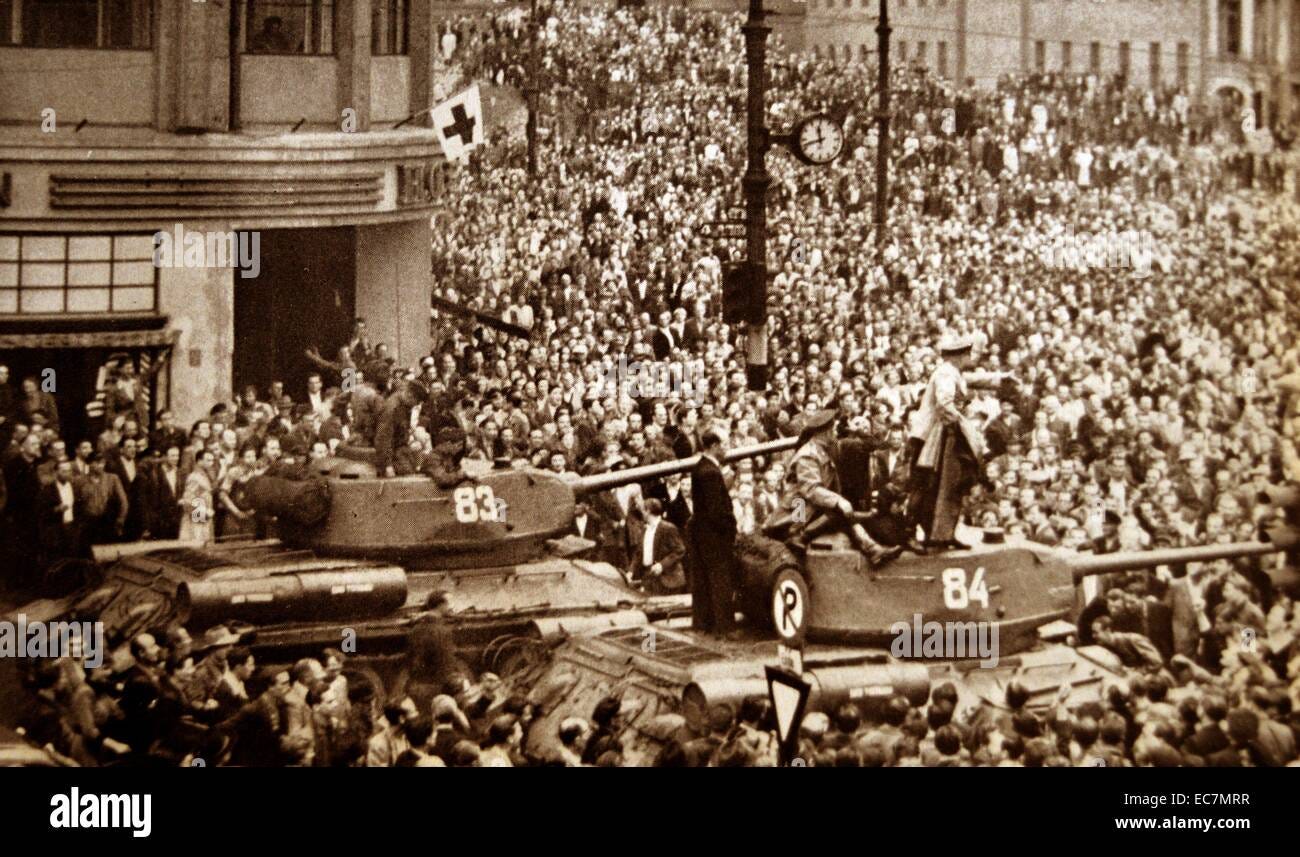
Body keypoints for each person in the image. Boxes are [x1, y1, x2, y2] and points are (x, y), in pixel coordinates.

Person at [907, 335, 1008, 550]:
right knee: (927, 486)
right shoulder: (945, 374)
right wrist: (967, 426)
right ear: (959, 356)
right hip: (932, 439)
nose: (970, 358)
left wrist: (1001, 377)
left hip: (944, 435)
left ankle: (943, 534)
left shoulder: (952, 372)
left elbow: (971, 379)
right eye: (967, 355)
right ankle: (912, 533)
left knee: (949, 486)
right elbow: (945, 404)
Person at [768, 409, 902, 565]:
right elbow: (810, 489)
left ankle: (873, 550)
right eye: (832, 429)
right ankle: (799, 536)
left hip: (809, 506)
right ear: (823, 432)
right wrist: (839, 501)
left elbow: (869, 445)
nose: (835, 432)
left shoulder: (823, 450)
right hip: (798, 511)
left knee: (841, 511)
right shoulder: (808, 455)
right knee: (838, 509)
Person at [687, 431, 740, 633]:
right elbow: (716, 510)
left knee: (703, 580)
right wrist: (729, 529)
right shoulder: (710, 472)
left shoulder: (700, 467)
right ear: (714, 446)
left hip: (703, 532)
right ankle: (724, 627)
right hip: (714, 535)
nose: (725, 449)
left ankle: (704, 623)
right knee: (720, 579)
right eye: (723, 445)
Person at [627, 497, 686, 594]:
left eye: (642, 510)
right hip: (650, 579)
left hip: (668, 580)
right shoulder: (645, 529)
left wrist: (662, 565)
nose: (641, 513)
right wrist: (630, 571)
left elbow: (679, 550)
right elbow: (638, 553)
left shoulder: (668, 528)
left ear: (648, 511)